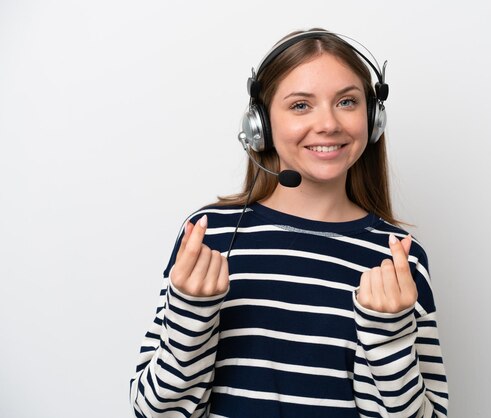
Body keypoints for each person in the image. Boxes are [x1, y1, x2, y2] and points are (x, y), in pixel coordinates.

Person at [130, 29, 448, 418]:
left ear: (373, 118)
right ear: (259, 124)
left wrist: (386, 338)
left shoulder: (401, 259)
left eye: (347, 101)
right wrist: (192, 313)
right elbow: (155, 413)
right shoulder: (209, 236)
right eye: (301, 106)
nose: (329, 123)